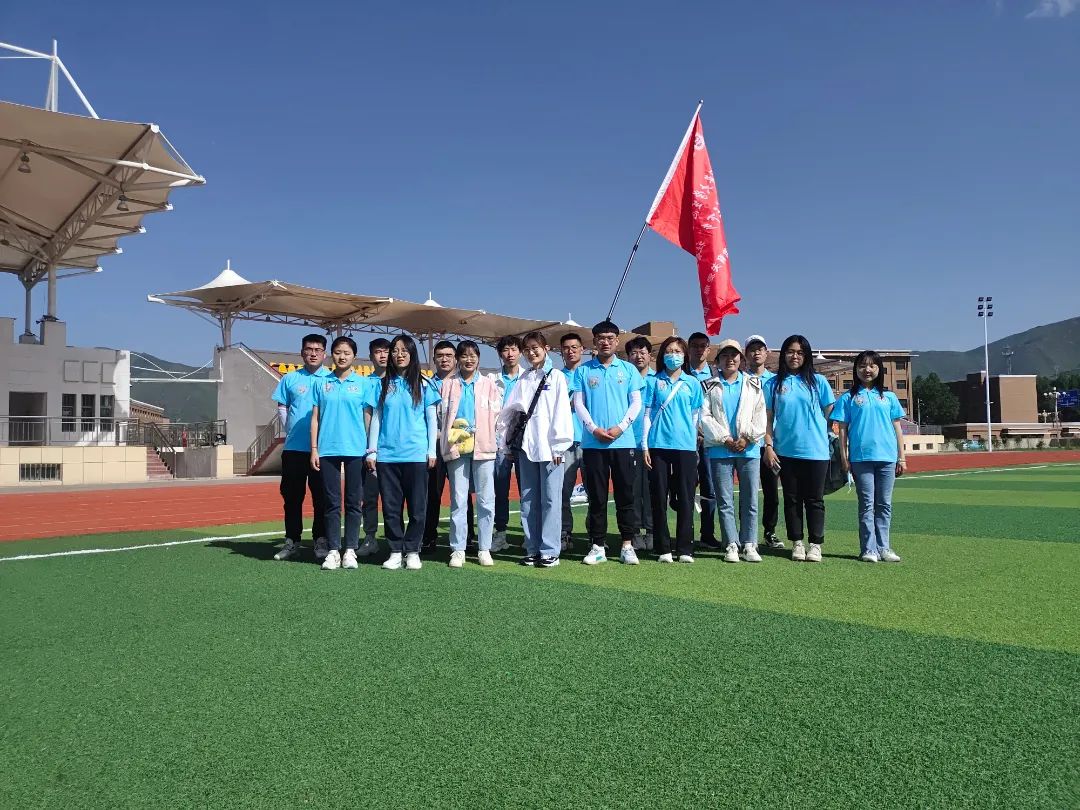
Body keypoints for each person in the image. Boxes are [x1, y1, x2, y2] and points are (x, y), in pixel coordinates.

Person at [498, 331, 573, 567]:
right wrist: (505, 441)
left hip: (551, 449)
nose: (531, 353)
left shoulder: (556, 376)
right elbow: (510, 410)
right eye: (527, 349)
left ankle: (550, 550)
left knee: (551, 499)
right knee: (529, 500)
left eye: (535, 348)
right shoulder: (524, 378)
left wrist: (559, 446)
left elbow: (562, 412)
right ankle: (532, 547)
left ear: (546, 349)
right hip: (527, 447)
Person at [573, 320, 645, 565]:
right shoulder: (583, 371)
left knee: (626, 496)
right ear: (594, 341)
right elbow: (578, 403)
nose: (605, 342)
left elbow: (636, 403)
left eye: (610, 338)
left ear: (617, 341)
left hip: (623, 442)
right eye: (601, 338)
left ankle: (627, 545)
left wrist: (621, 427)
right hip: (594, 444)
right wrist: (593, 429)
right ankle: (597, 545)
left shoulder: (628, 369)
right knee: (597, 497)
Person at [367, 334, 440, 571]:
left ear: (412, 354)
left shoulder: (424, 383)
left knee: (417, 507)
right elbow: (376, 418)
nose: (399, 355)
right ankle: (396, 550)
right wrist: (372, 451)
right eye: (395, 350)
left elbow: (431, 419)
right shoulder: (382, 384)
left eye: (404, 350)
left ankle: (413, 550)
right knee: (391, 507)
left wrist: (431, 451)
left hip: (416, 455)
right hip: (387, 456)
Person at [763, 335, 835, 563]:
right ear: (783, 354)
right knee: (792, 499)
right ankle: (797, 542)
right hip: (785, 451)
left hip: (816, 451)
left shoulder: (818, 382)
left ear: (807, 356)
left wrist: (822, 433)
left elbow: (830, 413)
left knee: (815, 499)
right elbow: (767, 419)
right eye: (790, 351)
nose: (795, 356)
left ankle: (815, 544)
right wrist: (768, 445)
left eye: (800, 352)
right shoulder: (773, 384)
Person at [831, 351, 905, 563]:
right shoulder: (848, 398)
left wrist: (902, 457)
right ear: (856, 369)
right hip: (861, 458)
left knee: (884, 504)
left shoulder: (889, 397)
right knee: (866, 504)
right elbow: (842, 430)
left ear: (879, 369)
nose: (867, 370)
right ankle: (868, 549)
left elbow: (897, 428)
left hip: (887, 457)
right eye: (862, 365)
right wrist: (844, 457)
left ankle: (884, 547)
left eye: (872, 365)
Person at [309, 337, 374, 571]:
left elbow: (368, 418)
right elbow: (315, 418)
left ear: (354, 356)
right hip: (327, 449)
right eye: (337, 352)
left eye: (346, 353)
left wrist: (369, 449)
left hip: (356, 449)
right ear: (331, 355)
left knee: (354, 502)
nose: (342, 357)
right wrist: (314, 449)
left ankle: (350, 550)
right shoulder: (321, 383)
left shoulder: (364, 384)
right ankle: (333, 550)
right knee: (331, 502)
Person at [702, 339, 766, 563]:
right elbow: (705, 417)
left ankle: (749, 543)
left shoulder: (754, 384)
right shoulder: (709, 386)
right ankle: (731, 542)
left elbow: (760, 415)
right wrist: (725, 438)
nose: (730, 359)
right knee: (725, 500)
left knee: (750, 500)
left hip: (749, 449)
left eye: (734, 355)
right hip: (720, 450)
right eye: (725, 356)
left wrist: (747, 438)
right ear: (718, 360)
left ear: (741, 358)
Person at [438, 340, 500, 567]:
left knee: (486, 500)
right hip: (457, 447)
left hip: (484, 447)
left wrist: (492, 438)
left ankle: (484, 548)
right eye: (464, 355)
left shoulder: (489, 385)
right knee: (458, 499)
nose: (469, 359)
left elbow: (497, 416)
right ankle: (458, 549)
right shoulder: (448, 385)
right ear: (458, 359)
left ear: (478, 359)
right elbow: (441, 415)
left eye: (473, 355)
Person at [270, 334, 332, 562]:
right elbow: (282, 406)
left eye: (318, 349)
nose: (313, 353)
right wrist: (291, 430)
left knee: (322, 498)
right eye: (309, 349)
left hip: (323, 450)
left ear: (324, 353)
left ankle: (321, 540)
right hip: (294, 449)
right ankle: (292, 540)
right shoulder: (290, 379)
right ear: (302, 352)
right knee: (292, 497)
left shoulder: (331, 379)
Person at [642, 336, 703, 563]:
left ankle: (685, 548)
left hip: (685, 447)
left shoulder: (692, 383)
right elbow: (647, 415)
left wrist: (693, 443)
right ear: (662, 355)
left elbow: (695, 416)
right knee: (659, 497)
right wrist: (645, 446)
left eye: (677, 351)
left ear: (684, 355)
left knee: (686, 498)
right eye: (669, 351)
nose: (673, 355)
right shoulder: (653, 381)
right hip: (658, 445)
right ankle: (663, 548)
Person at [744, 335, 784, 550]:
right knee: (748, 493)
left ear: (767, 353)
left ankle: (770, 531)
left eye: (760, 349)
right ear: (746, 354)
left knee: (771, 492)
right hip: (747, 444)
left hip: (769, 445)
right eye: (752, 349)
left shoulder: (776, 381)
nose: (756, 353)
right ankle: (745, 533)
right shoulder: (741, 379)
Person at [423, 340, 458, 551]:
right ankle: (428, 536)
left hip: (457, 444)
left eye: (448, 355)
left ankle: (466, 537)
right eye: (440, 356)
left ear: (455, 359)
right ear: (434, 359)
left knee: (461, 493)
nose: (444, 359)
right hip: (434, 444)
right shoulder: (426, 384)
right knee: (432, 493)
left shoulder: (461, 382)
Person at [490, 335, 524, 552]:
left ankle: (529, 533)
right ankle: (500, 533)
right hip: (500, 442)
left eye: (514, 349)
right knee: (500, 490)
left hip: (523, 442)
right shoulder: (491, 380)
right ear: (500, 354)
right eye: (505, 350)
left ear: (520, 352)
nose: (510, 354)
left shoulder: (529, 378)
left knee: (527, 490)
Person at [359, 337, 391, 556]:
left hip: (393, 451)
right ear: (371, 356)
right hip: (368, 451)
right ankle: (370, 537)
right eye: (378, 352)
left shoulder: (399, 382)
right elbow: (365, 416)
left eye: (386, 351)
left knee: (392, 499)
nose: (383, 355)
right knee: (369, 497)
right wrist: (368, 446)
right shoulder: (364, 383)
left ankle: (393, 540)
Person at [687, 332, 719, 550]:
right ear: (688, 349)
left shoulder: (716, 374)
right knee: (685, 487)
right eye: (695, 346)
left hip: (710, 440)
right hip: (686, 440)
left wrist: (707, 431)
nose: (699, 349)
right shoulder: (680, 372)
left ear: (708, 350)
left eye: (703, 346)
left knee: (710, 488)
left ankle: (707, 533)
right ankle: (685, 533)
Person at [626, 336, 656, 551]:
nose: (638, 356)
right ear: (628, 356)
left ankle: (652, 531)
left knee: (653, 490)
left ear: (650, 355)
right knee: (633, 491)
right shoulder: (625, 379)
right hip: (629, 442)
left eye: (642, 352)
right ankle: (635, 531)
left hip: (654, 443)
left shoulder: (657, 380)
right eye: (634, 353)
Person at [558, 332, 585, 552]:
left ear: (582, 350)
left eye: (575, 347)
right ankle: (564, 533)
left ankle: (596, 535)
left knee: (596, 491)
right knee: (562, 492)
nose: (571, 351)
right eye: (566, 348)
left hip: (590, 441)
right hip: (565, 442)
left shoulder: (589, 374)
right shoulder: (556, 377)